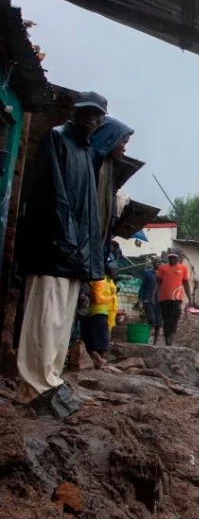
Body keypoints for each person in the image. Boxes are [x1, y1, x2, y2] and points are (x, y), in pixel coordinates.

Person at [15, 91, 108, 416]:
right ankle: (34, 386)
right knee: (45, 319)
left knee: (60, 324)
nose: (91, 120)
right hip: (52, 250)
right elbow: (52, 198)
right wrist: (66, 243)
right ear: (75, 112)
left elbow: (89, 214)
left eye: (97, 116)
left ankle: (50, 380)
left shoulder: (85, 151)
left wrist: (86, 257)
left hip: (73, 257)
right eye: (86, 113)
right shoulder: (57, 139)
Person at [90, 117, 133, 264]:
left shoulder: (108, 170)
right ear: (110, 139)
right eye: (123, 142)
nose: (124, 148)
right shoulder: (91, 165)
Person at [82, 263, 118, 365]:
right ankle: (100, 362)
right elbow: (98, 298)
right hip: (98, 312)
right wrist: (112, 298)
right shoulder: (101, 281)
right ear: (109, 271)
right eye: (115, 270)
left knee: (102, 340)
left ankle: (99, 361)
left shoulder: (109, 281)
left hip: (104, 312)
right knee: (102, 341)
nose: (116, 273)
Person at [156, 250, 191, 346]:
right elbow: (158, 282)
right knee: (166, 319)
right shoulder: (162, 268)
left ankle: (171, 339)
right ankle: (167, 339)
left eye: (173, 257)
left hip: (177, 298)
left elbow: (186, 284)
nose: (171, 259)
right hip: (164, 298)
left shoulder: (183, 268)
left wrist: (190, 298)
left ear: (177, 258)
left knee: (174, 318)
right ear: (168, 258)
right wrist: (153, 294)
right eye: (170, 257)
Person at [140, 259, 163, 344]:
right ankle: (145, 338)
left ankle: (155, 342)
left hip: (159, 300)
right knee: (151, 319)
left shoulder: (163, 274)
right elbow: (143, 286)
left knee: (158, 322)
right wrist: (140, 299)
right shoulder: (148, 273)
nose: (156, 263)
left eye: (158, 262)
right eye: (155, 262)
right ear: (153, 264)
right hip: (147, 299)